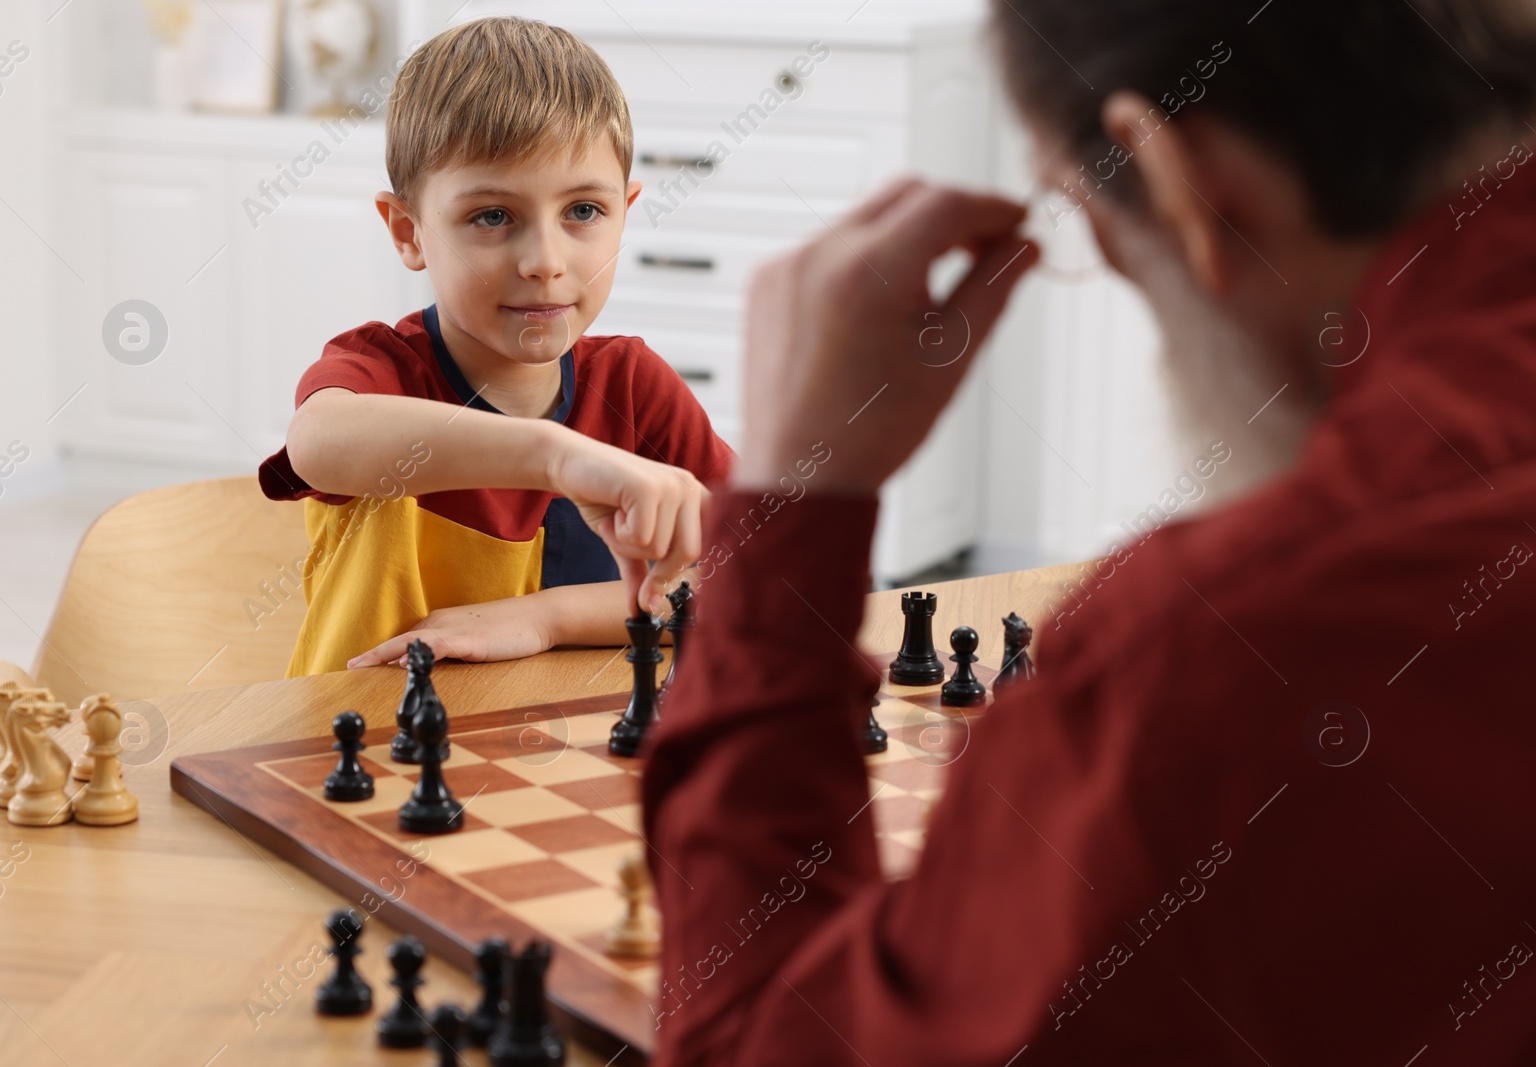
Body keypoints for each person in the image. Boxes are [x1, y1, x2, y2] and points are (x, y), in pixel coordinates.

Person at [639, 1, 1536, 1063]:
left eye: (1082, 213)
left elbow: (764, 1045)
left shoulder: (1217, 658)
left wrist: (793, 498)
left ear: (1177, 176)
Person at [256, 17, 729, 677]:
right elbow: (318, 445)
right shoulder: (377, 369)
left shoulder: (634, 386)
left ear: (626, 209)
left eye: (583, 211)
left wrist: (547, 617)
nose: (545, 260)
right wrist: (556, 457)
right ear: (408, 231)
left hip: (573, 756)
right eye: (492, 217)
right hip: (370, 753)